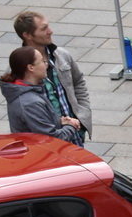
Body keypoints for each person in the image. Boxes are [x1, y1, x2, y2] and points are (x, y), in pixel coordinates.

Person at [12, 10, 88, 141]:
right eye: (44, 28)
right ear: (28, 35)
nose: (50, 31)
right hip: (49, 138)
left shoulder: (62, 55)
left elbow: (79, 82)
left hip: (74, 132)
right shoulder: (18, 68)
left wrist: (83, 112)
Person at [0, 46, 77, 141]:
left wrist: (60, 122)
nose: (46, 64)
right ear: (31, 68)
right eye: (42, 61)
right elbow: (52, 139)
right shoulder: (30, 103)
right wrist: (70, 126)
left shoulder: (29, 92)